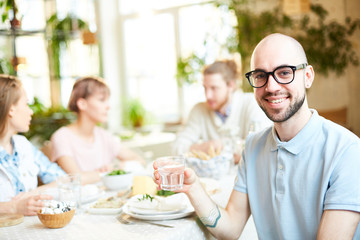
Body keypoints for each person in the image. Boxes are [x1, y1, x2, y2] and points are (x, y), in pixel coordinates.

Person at [154, 33, 360, 239]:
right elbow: (230, 228)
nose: (271, 87)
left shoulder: (347, 151)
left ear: (308, 76)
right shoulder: (253, 146)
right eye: (261, 75)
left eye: (285, 72)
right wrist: (193, 188)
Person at [50, 76, 144, 184]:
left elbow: (140, 161)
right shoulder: (62, 137)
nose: (108, 106)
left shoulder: (104, 136)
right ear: (82, 104)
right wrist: (111, 172)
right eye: (101, 100)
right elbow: (77, 179)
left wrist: (118, 166)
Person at [172, 59, 271, 160]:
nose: (208, 95)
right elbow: (177, 147)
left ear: (231, 86)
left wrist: (222, 146)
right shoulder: (199, 110)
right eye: (205, 88)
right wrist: (203, 147)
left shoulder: (251, 103)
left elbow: (261, 146)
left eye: (214, 88)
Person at [0, 74, 65, 215]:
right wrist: (14, 207)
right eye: (26, 104)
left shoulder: (22, 145)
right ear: (11, 109)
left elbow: (62, 179)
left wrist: (34, 193)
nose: (31, 112)